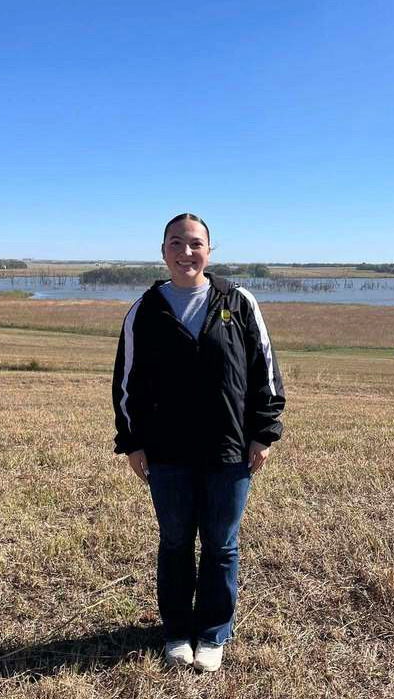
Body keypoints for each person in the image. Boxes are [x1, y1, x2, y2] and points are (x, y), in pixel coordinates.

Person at [112, 213, 285, 671]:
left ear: (210, 250)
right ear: (163, 251)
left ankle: (211, 633)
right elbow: (126, 383)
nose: (185, 253)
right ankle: (175, 632)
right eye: (176, 243)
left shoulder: (238, 301)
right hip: (166, 453)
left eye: (195, 244)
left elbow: (264, 371)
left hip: (228, 449)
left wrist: (264, 433)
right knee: (174, 543)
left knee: (221, 544)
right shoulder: (145, 310)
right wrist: (132, 443)